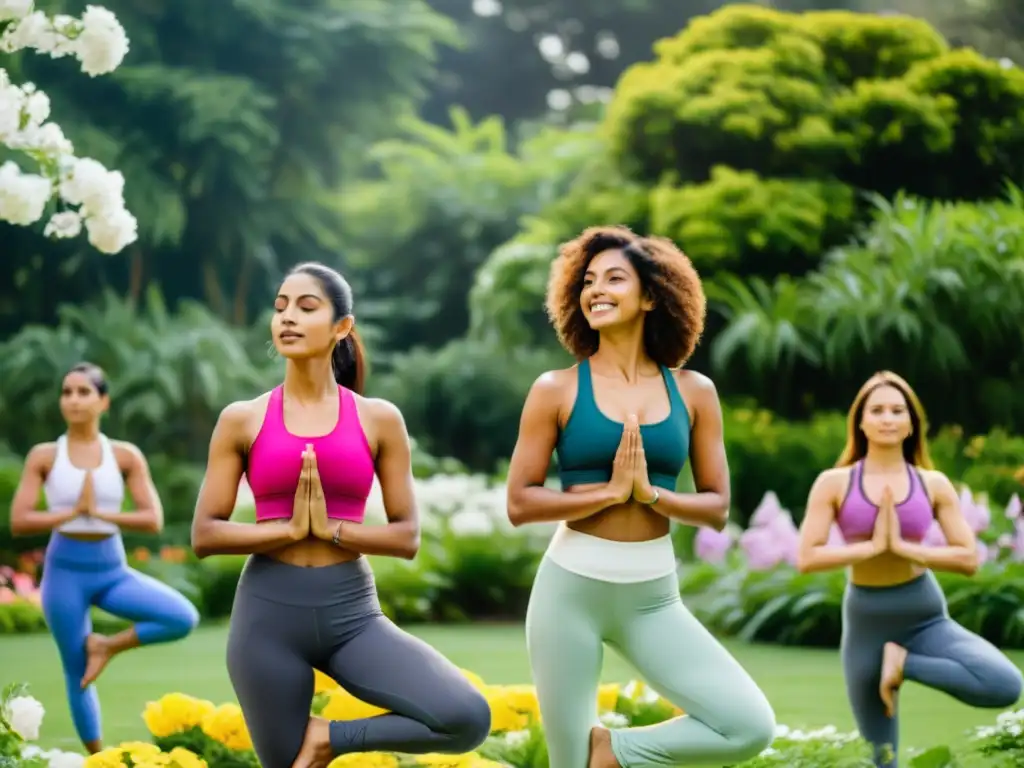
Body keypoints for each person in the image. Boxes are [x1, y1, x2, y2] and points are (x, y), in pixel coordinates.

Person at [190, 261, 491, 768]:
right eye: (280, 306)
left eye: (306, 307)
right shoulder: (242, 419)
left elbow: (407, 535)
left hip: (351, 614)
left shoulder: (378, 419)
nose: (287, 317)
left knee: (464, 716)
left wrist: (332, 531)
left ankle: (328, 738)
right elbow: (204, 533)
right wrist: (286, 530)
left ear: (342, 327)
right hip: (268, 617)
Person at [505, 225, 776, 768]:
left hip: (653, 598)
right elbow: (520, 502)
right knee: (567, 764)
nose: (595, 290)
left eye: (614, 279)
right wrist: (606, 493)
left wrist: (652, 496)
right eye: (587, 281)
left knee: (747, 725)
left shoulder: (694, 392)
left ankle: (615, 752)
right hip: (570, 594)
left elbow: (718, 507)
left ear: (651, 296)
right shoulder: (556, 389)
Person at [796, 371, 1023, 767]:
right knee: (883, 758)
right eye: (877, 410)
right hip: (867, 624)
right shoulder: (834, 483)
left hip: (924, 615)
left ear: (912, 423)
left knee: (1005, 684)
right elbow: (807, 557)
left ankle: (902, 664)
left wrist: (904, 549)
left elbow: (968, 558)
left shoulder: (932, 484)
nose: (887, 418)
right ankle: (891, 662)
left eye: (898, 411)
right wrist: (873, 547)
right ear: (861, 421)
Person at [9, 362, 199, 754]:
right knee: (77, 673)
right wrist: (71, 513)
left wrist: (99, 513)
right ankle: (100, 760)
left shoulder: (124, 455)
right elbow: (20, 519)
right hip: (65, 572)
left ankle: (106, 646)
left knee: (182, 617)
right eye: (67, 392)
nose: (74, 400)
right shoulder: (45, 456)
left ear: (104, 401)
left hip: (112, 571)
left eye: (83, 391)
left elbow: (152, 518)